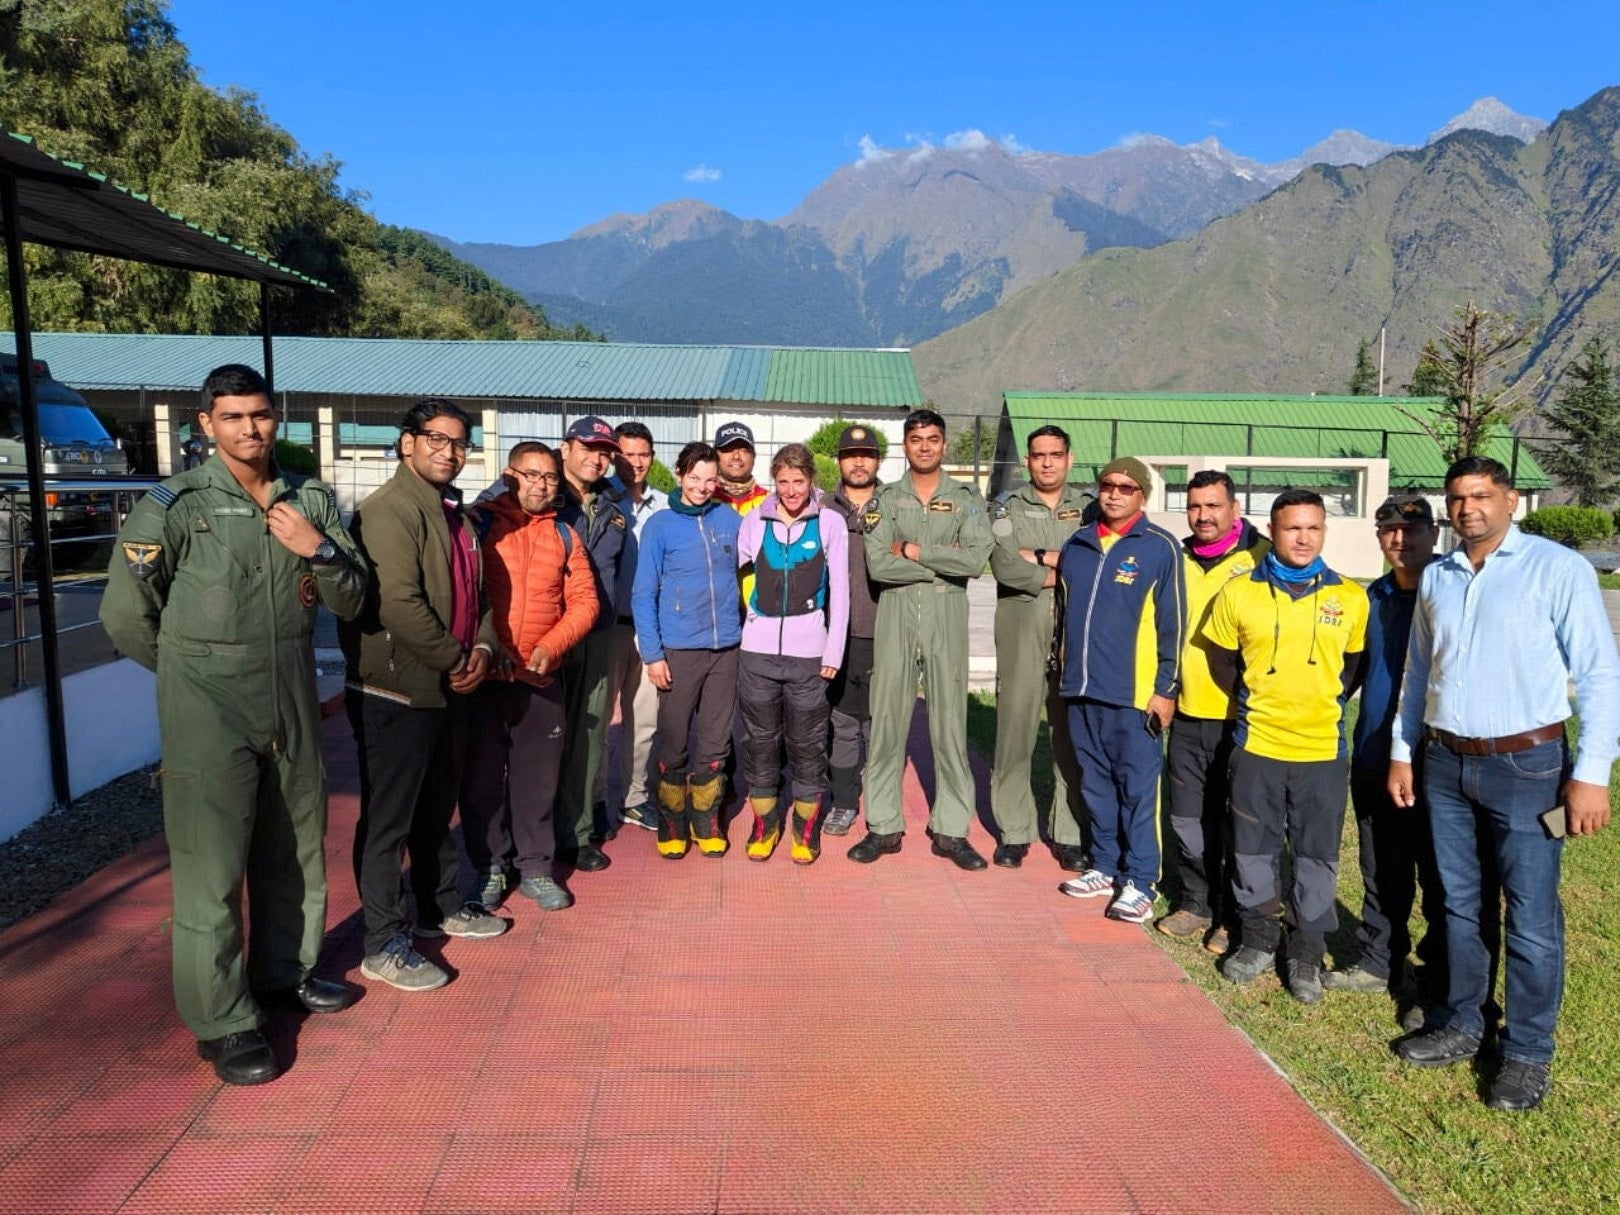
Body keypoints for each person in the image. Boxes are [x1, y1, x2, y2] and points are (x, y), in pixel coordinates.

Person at [101, 363, 368, 1085]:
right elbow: (125, 612)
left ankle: (285, 972)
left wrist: (318, 547)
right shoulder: (177, 504)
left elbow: (351, 597)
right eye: (234, 417)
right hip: (207, 707)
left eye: (261, 414)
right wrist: (191, 678)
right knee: (211, 870)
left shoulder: (308, 499)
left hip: (289, 695)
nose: (251, 429)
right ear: (206, 425)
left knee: (293, 851)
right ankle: (223, 1019)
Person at [1389, 456, 1619, 1111]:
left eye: (1482, 496)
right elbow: (1418, 672)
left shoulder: (1557, 569)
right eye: (1457, 498)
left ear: (1511, 499)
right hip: (1446, 766)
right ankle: (1464, 1022)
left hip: (1531, 768)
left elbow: (1601, 675)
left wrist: (1591, 774)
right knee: (1460, 905)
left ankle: (1526, 1054)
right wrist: (1405, 751)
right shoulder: (1439, 576)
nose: (1469, 509)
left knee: (1532, 916)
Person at [343, 398, 508, 995]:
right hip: (396, 690)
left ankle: (440, 905)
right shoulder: (389, 511)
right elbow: (398, 605)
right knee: (390, 821)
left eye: (459, 442)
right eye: (436, 439)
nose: (449, 451)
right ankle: (382, 939)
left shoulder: (455, 517)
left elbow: (483, 599)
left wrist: (483, 652)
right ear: (406, 443)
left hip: (450, 687)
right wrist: (457, 659)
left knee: (437, 810)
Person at [1204, 489, 1367, 1003]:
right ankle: (1256, 938)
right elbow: (1223, 664)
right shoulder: (1238, 593)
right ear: (1271, 530)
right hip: (1258, 746)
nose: (1303, 538)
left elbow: (1352, 671)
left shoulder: (1350, 597)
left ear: (1324, 532)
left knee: (1317, 857)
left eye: (1313, 528)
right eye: (1293, 528)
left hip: (1321, 752)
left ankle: (1305, 954)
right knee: (1253, 850)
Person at [1324, 494, 1451, 1017]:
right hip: (1377, 754)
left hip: (1440, 761)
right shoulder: (1368, 598)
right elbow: (1345, 674)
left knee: (1442, 875)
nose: (1402, 540)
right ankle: (1380, 960)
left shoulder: (1454, 591)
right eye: (1390, 531)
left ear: (1434, 534)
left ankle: (1438, 977)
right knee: (1381, 867)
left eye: (1413, 530)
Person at [850, 408, 994, 870]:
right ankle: (884, 825)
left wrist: (913, 549)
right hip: (895, 609)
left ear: (944, 444)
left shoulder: (968, 499)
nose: (925, 446)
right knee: (888, 717)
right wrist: (942, 559)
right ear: (905, 445)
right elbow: (878, 565)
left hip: (946, 611)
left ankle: (952, 829)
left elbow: (974, 561)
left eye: (933, 439)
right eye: (916, 439)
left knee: (949, 720)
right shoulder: (887, 499)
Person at [460, 442, 597, 913]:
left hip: (540, 677)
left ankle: (536, 868)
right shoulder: (479, 526)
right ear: (509, 474)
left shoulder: (564, 535)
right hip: (486, 676)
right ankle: (491, 867)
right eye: (531, 475)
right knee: (481, 781)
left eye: (550, 478)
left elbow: (585, 603)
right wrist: (485, 645)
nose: (540, 485)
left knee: (537, 780)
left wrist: (551, 646)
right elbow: (463, 591)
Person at [1054, 457, 1185, 922]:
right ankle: (1105, 866)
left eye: (1126, 488)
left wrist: (1166, 687)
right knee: (1095, 784)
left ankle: (1141, 880)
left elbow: (1175, 625)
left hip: (1133, 697)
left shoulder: (1159, 548)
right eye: (1107, 485)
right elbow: (1062, 616)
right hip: (1081, 691)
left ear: (1142, 496)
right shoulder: (1078, 544)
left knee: (1138, 790)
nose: (1114, 494)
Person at [1157, 470, 1269, 952]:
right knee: (1186, 818)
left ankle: (1230, 915)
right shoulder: (1177, 559)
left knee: (1234, 820)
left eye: (1213, 506)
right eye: (1195, 506)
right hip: (1186, 711)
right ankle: (1194, 902)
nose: (1203, 516)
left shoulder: (1262, 557)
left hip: (1242, 717)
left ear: (1234, 509)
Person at [987, 425, 1094, 870]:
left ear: (1069, 459)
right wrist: (1065, 565)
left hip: (1076, 633)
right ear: (1026, 461)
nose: (1046, 462)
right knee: (1015, 731)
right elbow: (1004, 564)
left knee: (1069, 735)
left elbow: (1099, 562)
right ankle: (1014, 831)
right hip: (1021, 630)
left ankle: (1068, 833)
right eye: (1038, 455)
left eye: (1055, 454)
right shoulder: (1005, 508)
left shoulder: (1089, 510)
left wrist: (1041, 554)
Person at [737, 443, 849, 863]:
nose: (790, 490)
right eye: (782, 481)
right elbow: (734, 573)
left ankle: (804, 828)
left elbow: (840, 593)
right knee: (761, 742)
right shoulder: (753, 521)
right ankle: (765, 823)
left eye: (798, 481)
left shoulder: (830, 524)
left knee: (807, 743)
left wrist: (832, 651)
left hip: (810, 656)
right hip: (757, 654)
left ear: (811, 481)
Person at [632, 441, 744, 858]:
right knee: (674, 741)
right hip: (678, 650)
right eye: (694, 478)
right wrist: (653, 653)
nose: (702, 487)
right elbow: (643, 593)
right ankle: (672, 818)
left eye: (710, 479)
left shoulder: (728, 518)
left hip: (726, 649)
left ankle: (705, 818)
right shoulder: (661, 526)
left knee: (716, 742)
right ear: (679, 475)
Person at [553, 415, 630, 872]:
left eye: (604, 451)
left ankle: (576, 833)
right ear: (566, 448)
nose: (597, 458)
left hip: (596, 635)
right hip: (547, 634)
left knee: (589, 735)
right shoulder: (541, 493)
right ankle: (527, 839)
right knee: (538, 741)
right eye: (588, 447)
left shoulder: (614, 507)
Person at [602, 421, 666, 833]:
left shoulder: (665, 505)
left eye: (643, 454)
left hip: (651, 631)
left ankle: (635, 798)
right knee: (595, 722)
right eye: (627, 455)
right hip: (607, 628)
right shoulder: (601, 502)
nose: (636, 463)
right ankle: (590, 803)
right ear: (614, 457)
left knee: (643, 721)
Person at [819, 425, 882, 837]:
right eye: (850, 455)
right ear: (839, 461)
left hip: (885, 632)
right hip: (834, 637)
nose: (858, 462)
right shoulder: (821, 507)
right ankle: (842, 803)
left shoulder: (896, 505)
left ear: (878, 460)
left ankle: (880, 805)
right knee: (841, 722)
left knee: (879, 724)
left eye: (866, 454)